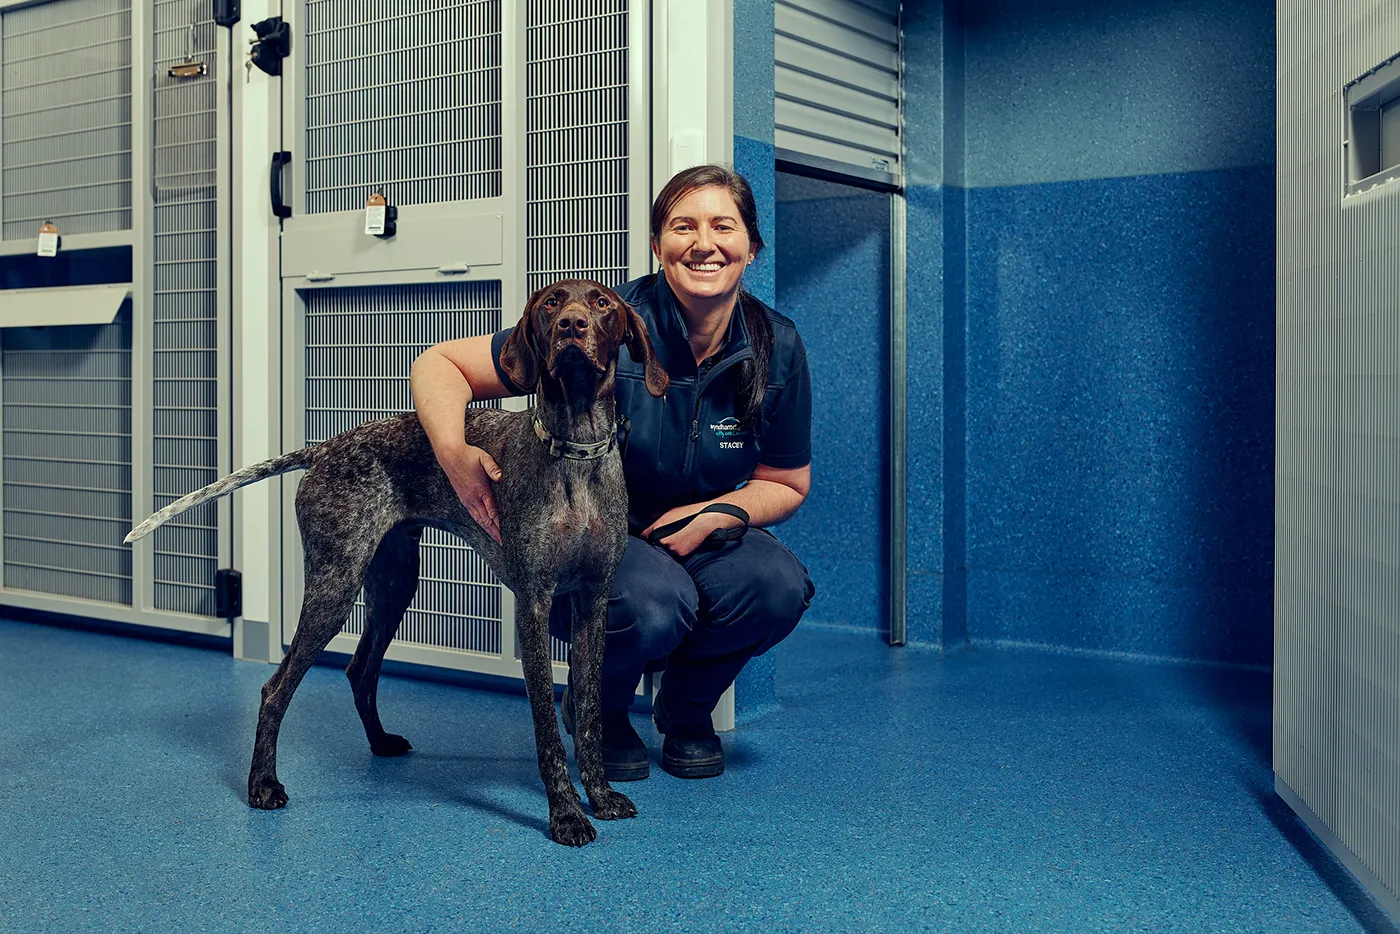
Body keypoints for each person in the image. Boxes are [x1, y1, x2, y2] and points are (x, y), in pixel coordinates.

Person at [410, 164, 814, 781]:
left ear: (751, 247)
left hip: (701, 530)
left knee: (775, 586)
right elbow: (443, 364)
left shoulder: (776, 346)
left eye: (723, 227)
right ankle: (603, 712)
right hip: (600, 532)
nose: (703, 243)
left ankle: (686, 710)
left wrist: (720, 512)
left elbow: (786, 482)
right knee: (653, 604)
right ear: (658, 246)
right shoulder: (605, 320)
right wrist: (453, 454)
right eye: (683, 227)